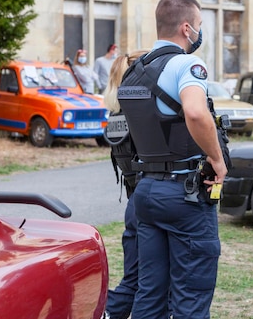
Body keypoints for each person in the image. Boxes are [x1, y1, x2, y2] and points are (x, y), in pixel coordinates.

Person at [117, 0, 229, 319]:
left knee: (150, 292)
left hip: (146, 192)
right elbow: (195, 113)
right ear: (185, 28)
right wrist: (218, 160)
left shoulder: (133, 71)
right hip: (184, 193)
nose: (199, 33)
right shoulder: (186, 63)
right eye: (199, 26)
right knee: (190, 294)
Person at [102, 49, 149, 319]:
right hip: (146, 201)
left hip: (134, 203)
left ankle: (107, 311)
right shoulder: (139, 117)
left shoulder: (116, 116)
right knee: (147, 282)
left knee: (133, 277)